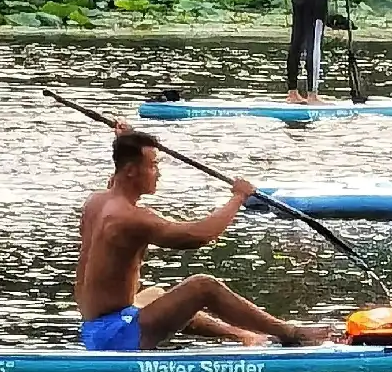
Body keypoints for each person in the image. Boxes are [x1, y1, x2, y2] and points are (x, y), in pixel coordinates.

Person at [75, 128, 332, 351]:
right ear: (131, 171)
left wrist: (126, 138)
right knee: (202, 286)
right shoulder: (131, 219)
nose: (158, 173)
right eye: (153, 165)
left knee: (154, 294)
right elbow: (199, 236)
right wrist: (238, 198)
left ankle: (241, 334)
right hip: (114, 337)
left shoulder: (97, 201)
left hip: (93, 327)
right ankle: (291, 334)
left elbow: (118, 176)